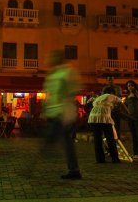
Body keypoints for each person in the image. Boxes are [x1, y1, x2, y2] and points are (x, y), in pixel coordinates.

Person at [42, 50, 82, 179]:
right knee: (63, 141)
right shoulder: (52, 74)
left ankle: (74, 169)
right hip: (54, 112)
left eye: (51, 56)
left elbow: (73, 90)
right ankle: (73, 168)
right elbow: (49, 93)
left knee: (65, 141)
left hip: (63, 112)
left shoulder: (67, 72)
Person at [88, 87, 129, 163]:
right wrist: (129, 113)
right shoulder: (111, 96)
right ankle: (115, 159)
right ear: (112, 92)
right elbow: (121, 104)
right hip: (104, 117)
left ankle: (100, 159)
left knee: (97, 140)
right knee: (110, 138)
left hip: (93, 118)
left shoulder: (99, 98)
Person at [124, 80, 138, 159]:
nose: (130, 87)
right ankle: (135, 152)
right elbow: (125, 105)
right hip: (131, 117)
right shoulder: (127, 96)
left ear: (135, 86)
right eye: (128, 86)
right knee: (134, 135)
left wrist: (134, 91)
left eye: (131, 85)